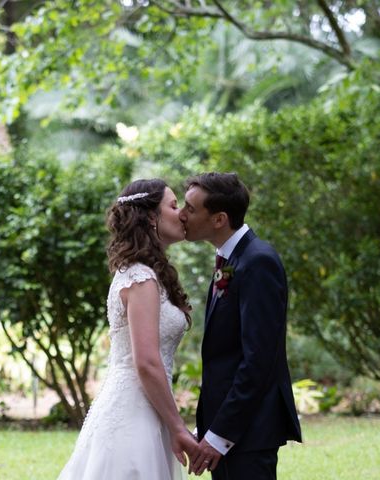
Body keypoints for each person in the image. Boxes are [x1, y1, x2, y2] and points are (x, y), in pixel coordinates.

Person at [57, 178, 199, 480]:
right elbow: (146, 362)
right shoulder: (140, 278)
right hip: (133, 415)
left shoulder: (147, 274)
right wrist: (177, 426)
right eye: (173, 206)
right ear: (151, 217)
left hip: (148, 409)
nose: (182, 213)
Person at [179, 172, 302, 479]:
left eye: (190, 209)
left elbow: (258, 361)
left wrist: (219, 435)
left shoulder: (258, 261)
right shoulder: (231, 258)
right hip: (232, 432)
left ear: (219, 219)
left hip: (248, 433)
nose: (181, 215)